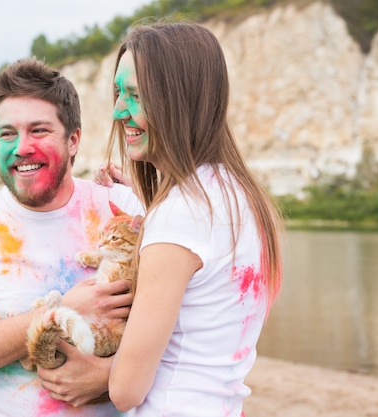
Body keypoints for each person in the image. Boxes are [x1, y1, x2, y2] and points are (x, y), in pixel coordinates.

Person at [0, 57, 144, 416]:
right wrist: (62, 310)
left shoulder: (124, 208)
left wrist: (111, 378)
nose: (22, 147)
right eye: (7, 133)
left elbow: (190, 331)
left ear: (73, 140)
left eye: (38, 130)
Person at [97, 21, 284, 416]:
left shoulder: (180, 215)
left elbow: (126, 390)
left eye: (134, 95)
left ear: (178, 100)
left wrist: (94, 373)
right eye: (117, 93)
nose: (118, 111)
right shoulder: (244, 198)